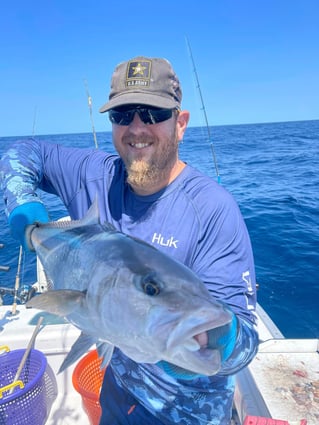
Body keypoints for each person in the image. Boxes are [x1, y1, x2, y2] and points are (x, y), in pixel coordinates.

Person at [0, 56, 258, 425]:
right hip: (117, 394)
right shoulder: (95, 174)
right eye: (123, 114)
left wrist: (222, 336)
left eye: (153, 113)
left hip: (188, 413)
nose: (137, 127)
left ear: (180, 123)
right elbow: (22, 151)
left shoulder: (213, 212)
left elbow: (245, 342)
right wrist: (22, 203)